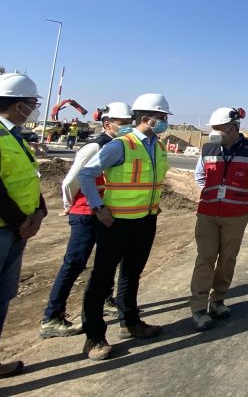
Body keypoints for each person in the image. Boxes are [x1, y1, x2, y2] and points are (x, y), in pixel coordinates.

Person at [78, 93, 172, 360]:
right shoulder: (121, 145)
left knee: (132, 274)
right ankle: (94, 338)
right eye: (162, 118)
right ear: (146, 118)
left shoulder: (159, 146)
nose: (165, 123)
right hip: (116, 222)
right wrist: (98, 207)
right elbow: (87, 173)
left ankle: (131, 323)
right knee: (101, 278)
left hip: (146, 219)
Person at [39, 102, 133, 339]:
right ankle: (52, 317)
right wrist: (69, 205)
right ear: (107, 123)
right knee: (75, 263)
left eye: (128, 124)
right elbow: (70, 181)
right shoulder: (95, 146)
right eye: (122, 124)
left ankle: (104, 299)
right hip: (86, 213)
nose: (126, 128)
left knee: (108, 260)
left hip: (107, 211)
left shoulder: (118, 145)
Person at [0, 73, 47, 379]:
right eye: (34, 103)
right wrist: (20, 221)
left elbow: (28, 178)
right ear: (20, 105)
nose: (36, 108)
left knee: (0, 298)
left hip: (12, 231)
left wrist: (39, 212)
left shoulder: (12, 135)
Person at [190, 107, 248, 331]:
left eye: (219, 128)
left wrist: (240, 194)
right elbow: (199, 176)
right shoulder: (208, 148)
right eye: (213, 128)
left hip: (237, 214)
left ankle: (217, 300)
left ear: (233, 128)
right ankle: (198, 308)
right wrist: (212, 193)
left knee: (227, 258)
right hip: (208, 213)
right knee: (205, 258)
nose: (215, 132)